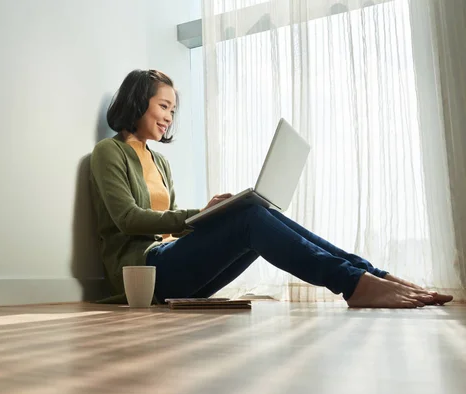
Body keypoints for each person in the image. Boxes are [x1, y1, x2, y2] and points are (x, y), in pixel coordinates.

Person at [89, 69, 453, 308]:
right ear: (138, 102)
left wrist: (207, 216)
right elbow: (128, 219)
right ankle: (354, 282)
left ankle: (367, 272)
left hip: (173, 265)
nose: (169, 117)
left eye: (173, 110)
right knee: (249, 217)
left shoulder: (160, 162)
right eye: (163, 106)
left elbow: (169, 225)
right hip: (144, 274)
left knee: (257, 212)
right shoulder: (109, 152)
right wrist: (198, 216)